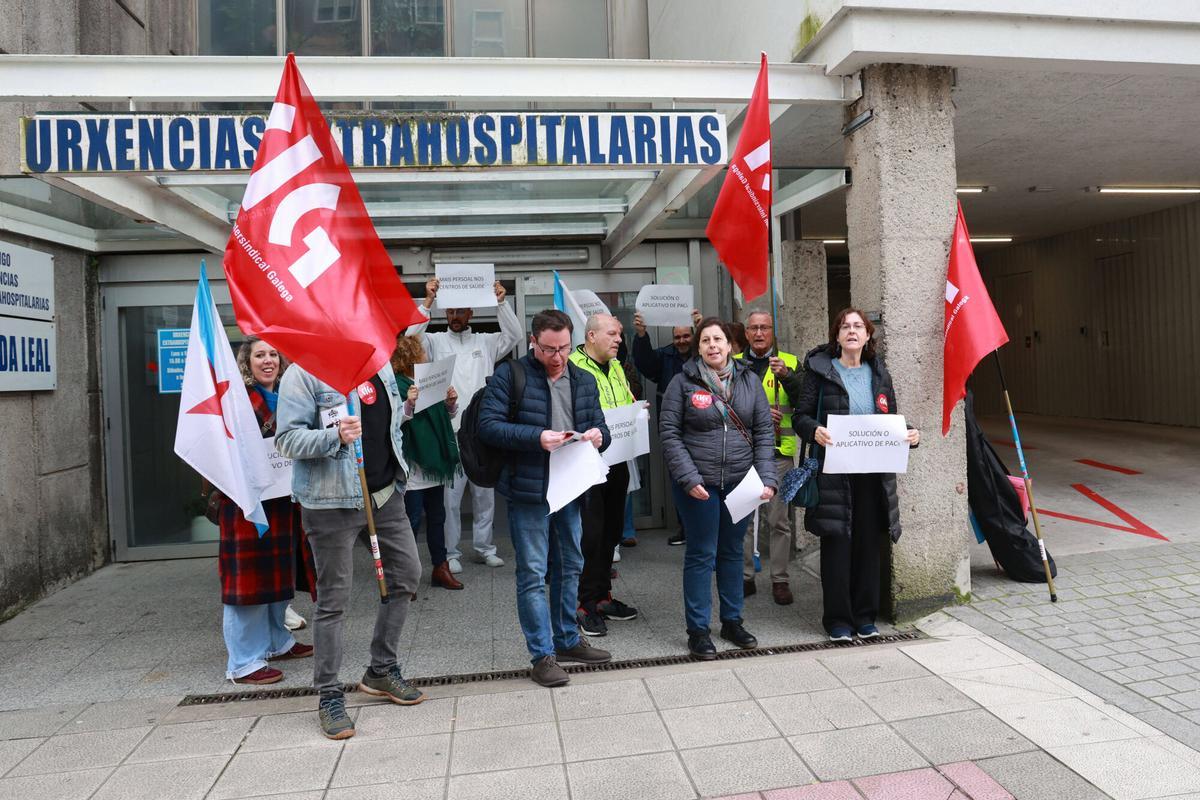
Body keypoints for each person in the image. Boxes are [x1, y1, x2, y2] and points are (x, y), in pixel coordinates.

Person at [276, 355, 425, 740]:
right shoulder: (303, 372)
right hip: (330, 503)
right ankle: (328, 694)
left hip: (385, 495)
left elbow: (386, 426)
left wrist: (406, 408)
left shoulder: (380, 364)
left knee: (407, 575)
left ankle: (381, 669)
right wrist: (334, 436)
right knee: (333, 600)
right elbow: (287, 439)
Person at [478, 309, 613, 687]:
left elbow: (601, 426)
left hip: (571, 486)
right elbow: (488, 426)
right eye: (549, 349)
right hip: (529, 489)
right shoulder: (512, 374)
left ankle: (567, 639)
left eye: (565, 349)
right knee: (534, 574)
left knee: (571, 564)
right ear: (533, 342)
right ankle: (542, 655)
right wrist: (536, 437)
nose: (558, 358)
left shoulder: (584, 379)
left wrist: (601, 436)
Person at [794, 308, 920, 643]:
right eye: (845, 326)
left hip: (872, 475)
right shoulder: (820, 371)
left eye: (858, 326)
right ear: (836, 336)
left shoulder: (879, 373)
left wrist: (910, 435)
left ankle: (865, 617)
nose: (852, 331)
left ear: (867, 336)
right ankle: (837, 621)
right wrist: (814, 431)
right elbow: (800, 417)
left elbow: (890, 419)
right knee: (837, 545)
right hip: (835, 474)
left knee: (868, 545)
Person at [659, 317, 777, 660]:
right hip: (699, 484)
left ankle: (732, 621)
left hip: (740, 483)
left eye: (718, 340)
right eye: (706, 340)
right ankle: (698, 630)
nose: (712, 345)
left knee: (731, 551)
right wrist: (689, 478)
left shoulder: (750, 381)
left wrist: (767, 477)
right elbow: (669, 435)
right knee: (701, 553)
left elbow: (764, 433)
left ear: (730, 345)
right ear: (698, 348)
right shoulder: (681, 383)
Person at [407, 277, 522, 573]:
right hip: (450, 431)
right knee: (450, 500)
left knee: (484, 494)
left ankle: (485, 547)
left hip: (482, 432)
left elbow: (515, 334)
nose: (455, 317)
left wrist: (501, 302)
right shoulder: (435, 342)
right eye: (450, 312)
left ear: (470, 313)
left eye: (460, 312)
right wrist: (428, 303)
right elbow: (410, 338)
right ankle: (451, 551)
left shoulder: (485, 341)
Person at [218, 337, 315, 686]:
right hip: (248, 503)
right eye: (260, 355)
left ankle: (277, 641)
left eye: (273, 353)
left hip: (284, 499)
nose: (268, 360)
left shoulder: (288, 394)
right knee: (247, 583)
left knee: (280, 574)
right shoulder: (239, 399)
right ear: (247, 362)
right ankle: (242, 662)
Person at [569, 314, 639, 637]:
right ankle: (583, 603)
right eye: (613, 334)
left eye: (620, 334)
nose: (619, 340)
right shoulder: (572, 366)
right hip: (586, 463)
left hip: (617, 459)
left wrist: (637, 413)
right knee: (591, 534)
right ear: (592, 335)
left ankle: (601, 597)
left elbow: (623, 404)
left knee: (610, 531)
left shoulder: (615, 367)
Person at [735, 310, 802, 606]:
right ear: (746, 333)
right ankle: (745, 576)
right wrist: (756, 417)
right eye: (754, 328)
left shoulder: (788, 363)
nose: (759, 333)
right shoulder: (732, 365)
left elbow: (804, 401)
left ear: (772, 331)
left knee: (780, 521)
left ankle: (780, 579)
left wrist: (787, 379)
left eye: (765, 328)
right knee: (745, 520)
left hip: (778, 453)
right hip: (743, 453)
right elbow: (723, 406)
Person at [390, 335, 463, 591]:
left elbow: (444, 416)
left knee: (437, 517)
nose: (425, 357)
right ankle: (404, 576)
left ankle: (440, 567)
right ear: (410, 357)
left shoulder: (426, 381)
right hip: (413, 467)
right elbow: (394, 422)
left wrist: (450, 404)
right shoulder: (397, 384)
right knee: (410, 521)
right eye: (420, 353)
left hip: (434, 465)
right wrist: (408, 404)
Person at [632, 313, 695, 545]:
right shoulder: (666, 355)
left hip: (702, 430)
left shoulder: (703, 354)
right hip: (674, 431)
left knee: (703, 478)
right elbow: (645, 363)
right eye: (677, 337)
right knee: (679, 479)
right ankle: (685, 527)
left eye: (686, 335)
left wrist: (703, 325)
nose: (681, 341)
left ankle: (701, 528)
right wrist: (641, 335)